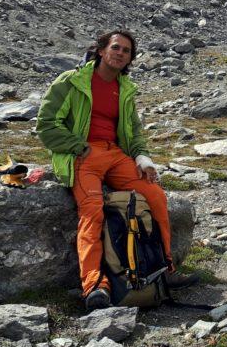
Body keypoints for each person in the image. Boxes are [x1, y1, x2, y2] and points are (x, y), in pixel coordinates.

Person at [36, 29, 171, 310]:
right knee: (92, 208)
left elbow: (133, 132)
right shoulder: (71, 82)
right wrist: (78, 147)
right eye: (116, 48)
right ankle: (95, 285)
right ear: (101, 50)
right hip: (83, 154)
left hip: (115, 154)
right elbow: (47, 124)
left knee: (155, 195)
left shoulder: (125, 90)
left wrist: (142, 159)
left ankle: (164, 269)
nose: (121, 54)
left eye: (127, 51)